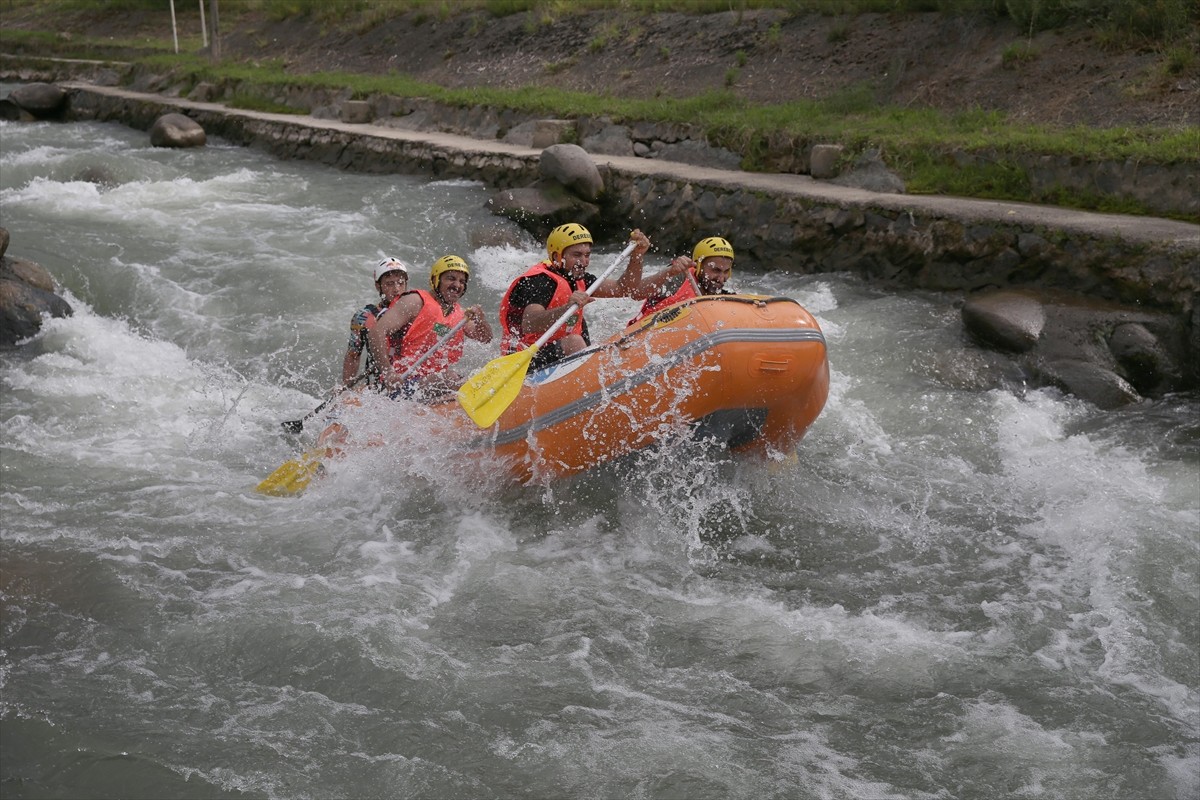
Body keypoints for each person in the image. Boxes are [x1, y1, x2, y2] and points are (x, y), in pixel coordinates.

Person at [498, 223, 652, 370]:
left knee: (580, 328)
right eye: (577, 255)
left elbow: (624, 288)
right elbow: (530, 324)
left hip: (553, 351)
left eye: (587, 255)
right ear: (557, 256)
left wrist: (637, 256)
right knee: (574, 341)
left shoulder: (578, 277)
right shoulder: (539, 282)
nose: (584, 262)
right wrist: (566, 308)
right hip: (522, 360)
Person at [368, 254, 493, 398]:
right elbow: (376, 333)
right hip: (402, 382)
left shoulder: (461, 315)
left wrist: (481, 319)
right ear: (436, 280)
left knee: (463, 376)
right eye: (451, 278)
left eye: (462, 281)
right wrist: (388, 372)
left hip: (431, 382)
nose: (457, 285)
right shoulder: (415, 301)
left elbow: (485, 338)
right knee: (450, 378)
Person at [627, 236, 736, 325]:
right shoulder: (679, 277)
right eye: (715, 270)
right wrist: (669, 272)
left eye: (726, 271)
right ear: (698, 265)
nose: (721, 278)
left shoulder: (723, 297)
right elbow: (636, 293)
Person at [341, 257, 411, 388]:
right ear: (378, 286)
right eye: (390, 284)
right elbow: (353, 356)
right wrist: (345, 387)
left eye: (401, 283)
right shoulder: (364, 316)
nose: (396, 289)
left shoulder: (417, 310)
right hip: (380, 384)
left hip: (412, 377)